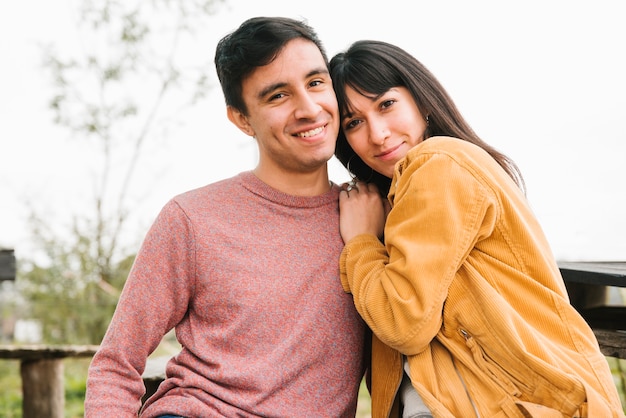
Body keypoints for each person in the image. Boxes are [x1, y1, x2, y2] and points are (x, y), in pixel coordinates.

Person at [84, 17, 367, 417]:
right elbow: (116, 363)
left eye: (316, 83)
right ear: (241, 119)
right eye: (277, 96)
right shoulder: (192, 219)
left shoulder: (370, 219)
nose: (308, 108)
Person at [329, 40, 625, 418]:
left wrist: (362, 243)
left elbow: (404, 322)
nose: (378, 133)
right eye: (354, 122)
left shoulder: (437, 163)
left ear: (420, 98)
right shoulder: (415, 190)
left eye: (386, 104)